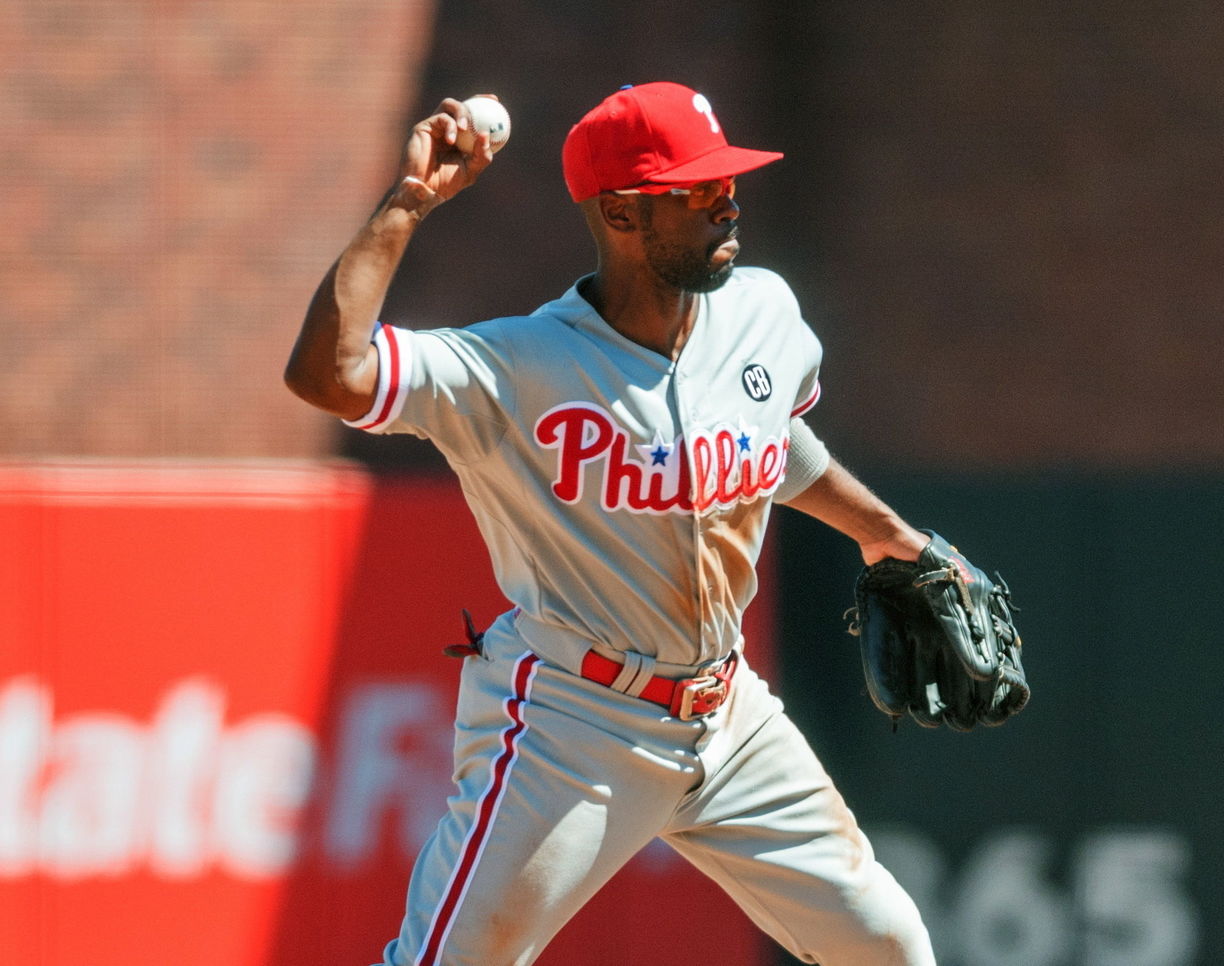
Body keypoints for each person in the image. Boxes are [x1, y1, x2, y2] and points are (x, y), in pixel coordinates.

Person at [285, 81, 936, 966]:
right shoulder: (516, 367)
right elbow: (329, 374)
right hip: (575, 721)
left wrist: (886, 534)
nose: (727, 201)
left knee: (890, 947)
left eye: (727, 180)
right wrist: (409, 203)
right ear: (624, 212)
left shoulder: (764, 313)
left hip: (730, 716)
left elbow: (769, 443)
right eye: (697, 188)